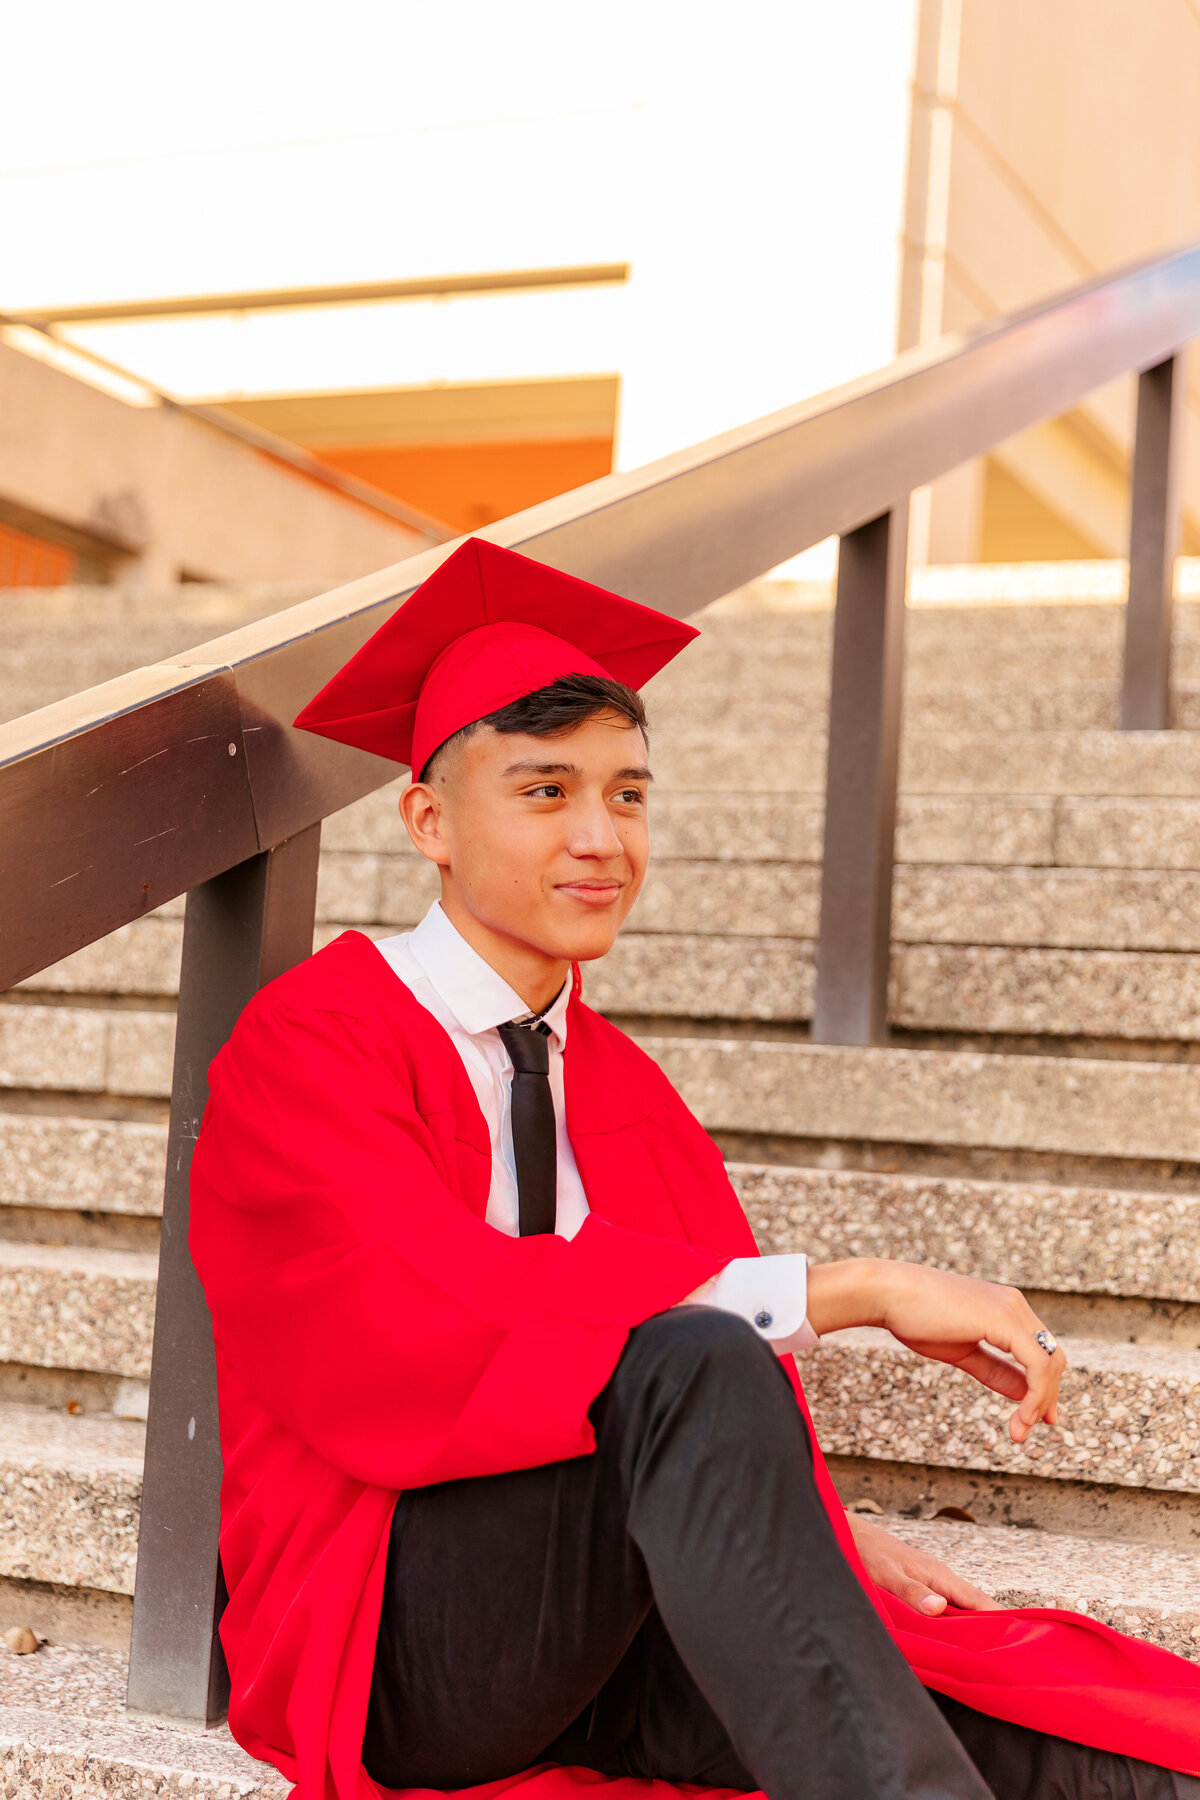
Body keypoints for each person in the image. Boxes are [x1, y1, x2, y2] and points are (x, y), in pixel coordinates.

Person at [190, 538, 1200, 1800]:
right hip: (395, 1640)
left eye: (629, 794)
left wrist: (804, 1532)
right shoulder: (314, 1039)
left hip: (609, 1624)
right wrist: (856, 1287)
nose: (601, 837)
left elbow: (689, 1406)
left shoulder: (622, 1085)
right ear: (429, 821)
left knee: (1078, 1760)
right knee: (696, 1354)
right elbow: (430, 1320)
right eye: (546, 793)